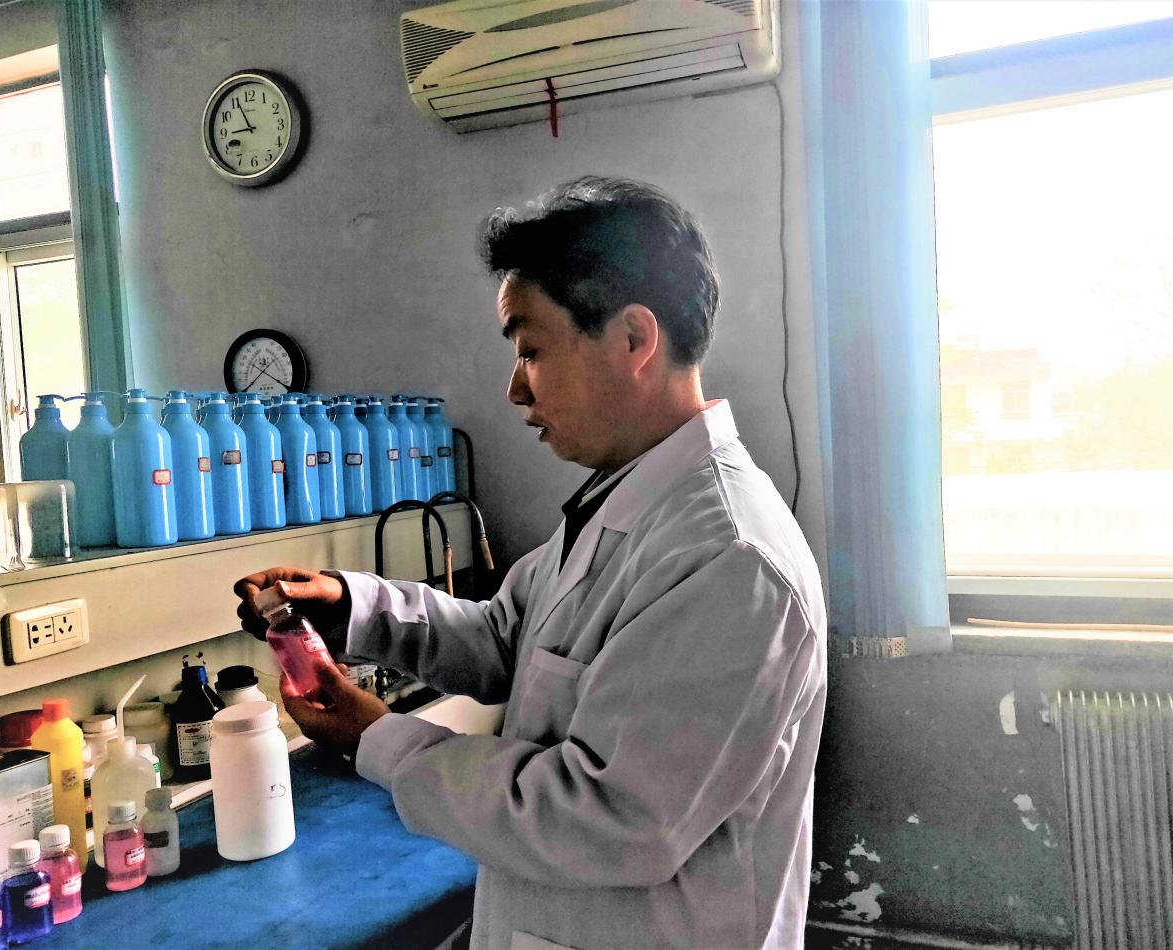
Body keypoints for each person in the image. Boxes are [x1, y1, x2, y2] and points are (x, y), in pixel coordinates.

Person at [234, 176, 827, 949]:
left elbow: (610, 820)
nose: (515, 388)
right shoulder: (624, 504)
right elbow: (508, 641)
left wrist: (377, 740)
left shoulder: (726, 557)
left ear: (633, 339)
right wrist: (356, 610)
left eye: (530, 350)